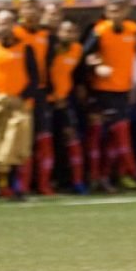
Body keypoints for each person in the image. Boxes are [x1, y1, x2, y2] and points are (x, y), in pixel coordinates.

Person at [82, 0, 136, 192]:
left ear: (127, 11)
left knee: (115, 138)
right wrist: (96, 66)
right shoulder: (99, 31)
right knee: (115, 133)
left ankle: (106, 177)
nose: (115, 14)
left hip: (123, 90)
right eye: (111, 11)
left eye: (119, 10)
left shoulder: (133, 30)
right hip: (102, 91)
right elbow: (84, 55)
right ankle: (131, 173)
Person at [0, 10, 38, 199]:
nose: (4, 27)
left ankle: (13, 186)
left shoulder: (25, 48)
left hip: (17, 107)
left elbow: (34, 78)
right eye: (0, 23)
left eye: (7, 23)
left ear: (15, 25)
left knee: (13, 147)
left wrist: (22, 97)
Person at [14, 0, 56, 195]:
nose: (32, 12)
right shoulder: (15, 34)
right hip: (19, 94)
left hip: (40, 93)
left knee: (44, 139)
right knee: (23, 141)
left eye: (36, 9)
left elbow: (48, 66)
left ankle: (43, 184)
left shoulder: (45, 35)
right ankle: (21, 184)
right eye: (28, 8)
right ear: (21, 11)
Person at [49, 19, 87, 194]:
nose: (69, 35)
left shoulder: (78, 50)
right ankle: (48, 181)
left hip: (65, 101)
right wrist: (53, 94)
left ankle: (76, 181)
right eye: (66, 31)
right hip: (47, 101)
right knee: (47, 143)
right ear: (58, 32)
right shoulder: (51, 50)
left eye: (73, 31)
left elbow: (76, 75)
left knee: (71, 139)